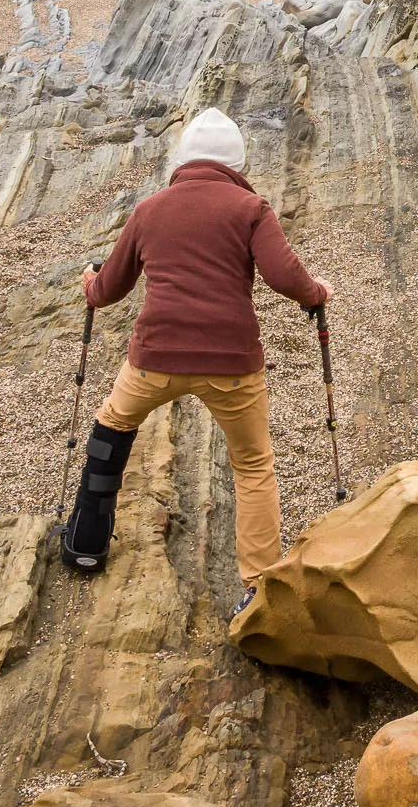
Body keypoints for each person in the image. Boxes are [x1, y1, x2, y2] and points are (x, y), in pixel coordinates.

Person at [67, 108, 328, 598]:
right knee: (251, 465)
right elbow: (283, 275)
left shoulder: (149, 210)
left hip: (153, 360)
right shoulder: (252, 209)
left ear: (183, 159)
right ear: (237, 162)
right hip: (231, 367)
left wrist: (89, 283)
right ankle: (259, 591)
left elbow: (108, 290)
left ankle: (87, 542)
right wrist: (316, 294)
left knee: (111, 429)